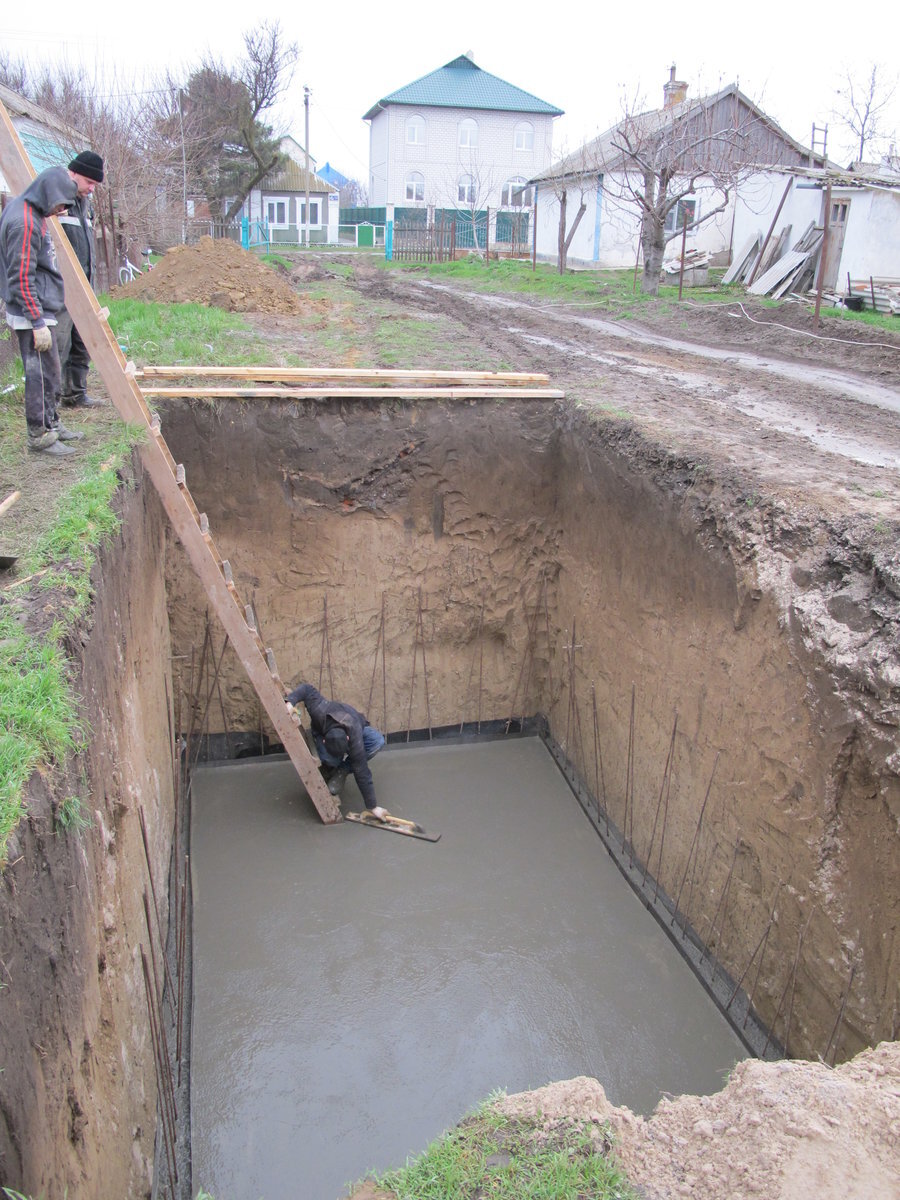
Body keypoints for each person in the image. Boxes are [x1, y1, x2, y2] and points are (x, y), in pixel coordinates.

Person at [0, 166, 83, 456]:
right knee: (38, 375)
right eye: (61, 203)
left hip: (37, 308)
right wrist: (36, 321)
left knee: (50, 371)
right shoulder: (24, 222)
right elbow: (20, 276)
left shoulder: (31, 213)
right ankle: (39, 435)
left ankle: (52, 423)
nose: (61, 210)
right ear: (50, 194)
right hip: (30, 313)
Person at [285, 681, 387, 815]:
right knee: (329, 759)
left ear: (348, 740)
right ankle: (332, 766)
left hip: (355, 723)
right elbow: (307, 689)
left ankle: (342, 770)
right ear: (325, 739)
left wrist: (373, 807)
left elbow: (362, 771)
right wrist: (290, 702)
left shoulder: (355, 737)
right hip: (324, 727)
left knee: (376, 741)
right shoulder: (319, 710)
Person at [57, 150, 105, 409]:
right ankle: (50, 405)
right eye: (89, 183)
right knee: (60, 343)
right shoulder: (58, 201)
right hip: (62, 288)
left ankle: (75, 393)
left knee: (81, 339)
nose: (91, 189)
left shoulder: (83, 206)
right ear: (73, 173)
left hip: (85, 284)